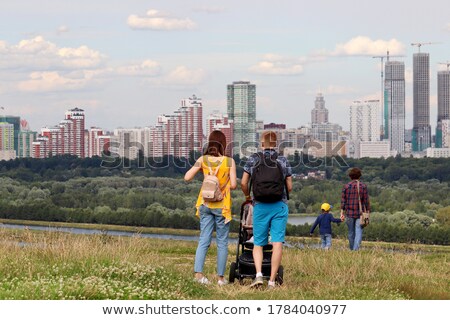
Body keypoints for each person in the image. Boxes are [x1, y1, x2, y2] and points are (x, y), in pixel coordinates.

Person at [184, 130, 237, 285]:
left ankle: (199, 275)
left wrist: (207, 178)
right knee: (222, 242)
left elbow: (187, 177)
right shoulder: (229, 162)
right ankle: (220, 278)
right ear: (223, 144)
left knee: (204, 239)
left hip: (205, 203)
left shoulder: (203, 159)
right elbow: (233, 185)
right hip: (222, 206)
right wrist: (224, 183)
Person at [241, 131, 292, 289]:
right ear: (276, 144)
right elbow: (289, 186)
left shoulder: (254, 159)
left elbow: (244, 183)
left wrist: (248, 196)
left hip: (260, 205)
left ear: (261, 144)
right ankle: (271, 281)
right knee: (277, 243)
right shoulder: (282, 160)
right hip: (279, 205)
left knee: (258, 243)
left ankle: (258, 275)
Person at [340, 167, 370, 251]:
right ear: (359, 176)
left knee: (350, 233)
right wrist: (368, 212)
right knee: (359, 231)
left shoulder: (346, 186)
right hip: (360, 213)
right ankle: (355, 250)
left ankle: (352, 249)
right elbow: (366, 201)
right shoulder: (363, 186)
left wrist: (342, 213)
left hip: (349, 213)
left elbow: (343, 201)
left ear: (350, 176)